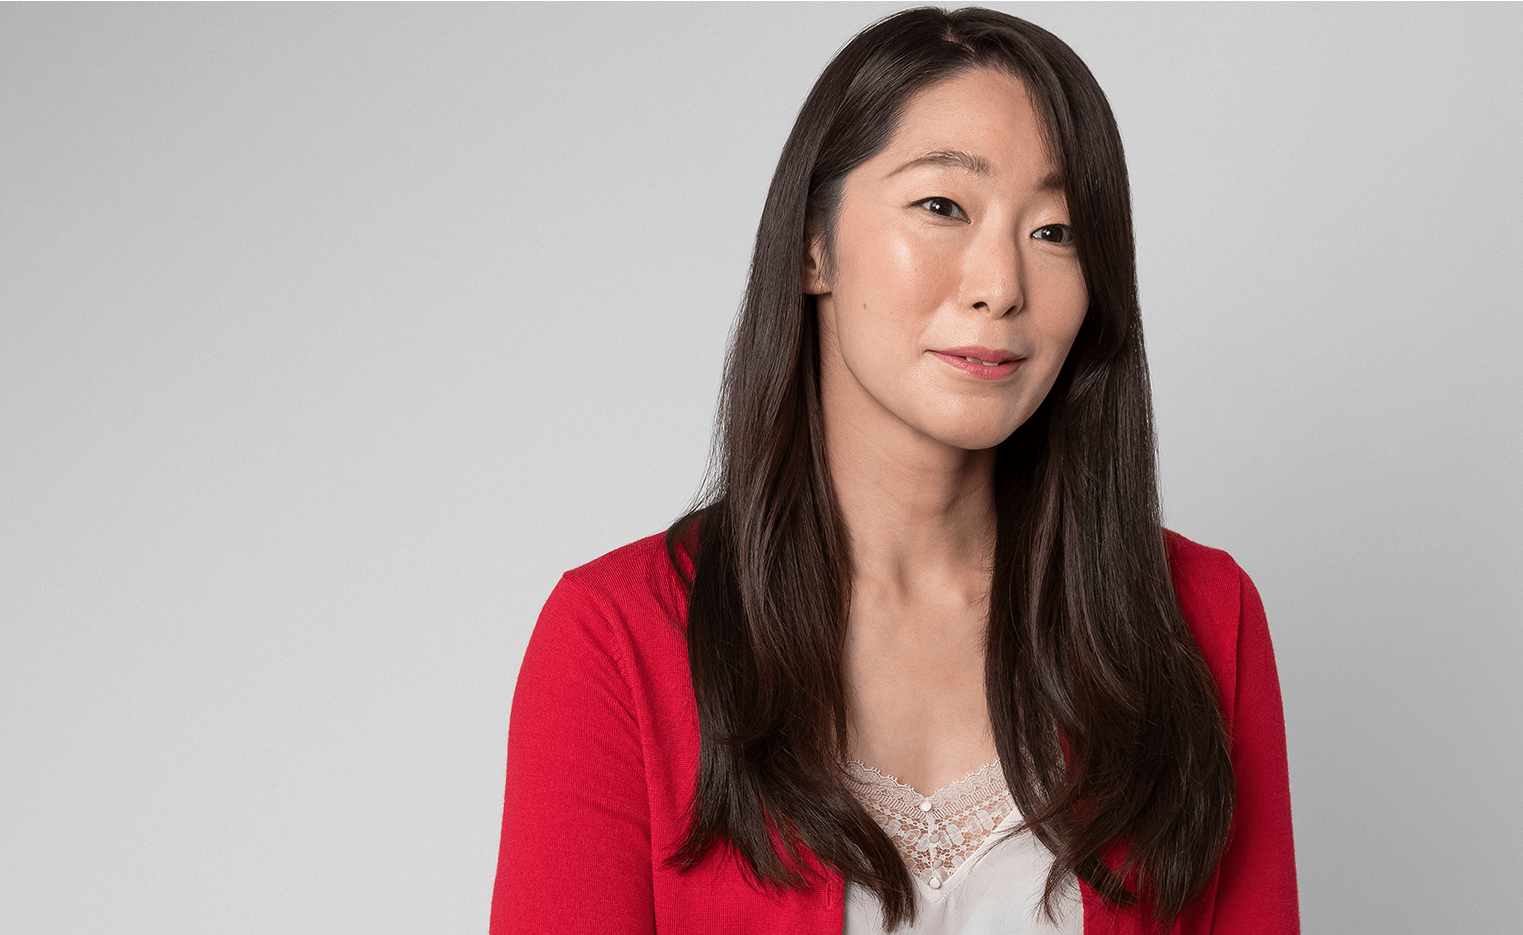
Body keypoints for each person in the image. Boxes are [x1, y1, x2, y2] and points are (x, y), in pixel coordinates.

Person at [491, 7, 1298, 934]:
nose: (1001, 286)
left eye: (1057, 230)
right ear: (814, 245)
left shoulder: (1201, 620)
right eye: (943, 207)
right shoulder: (617, 639)